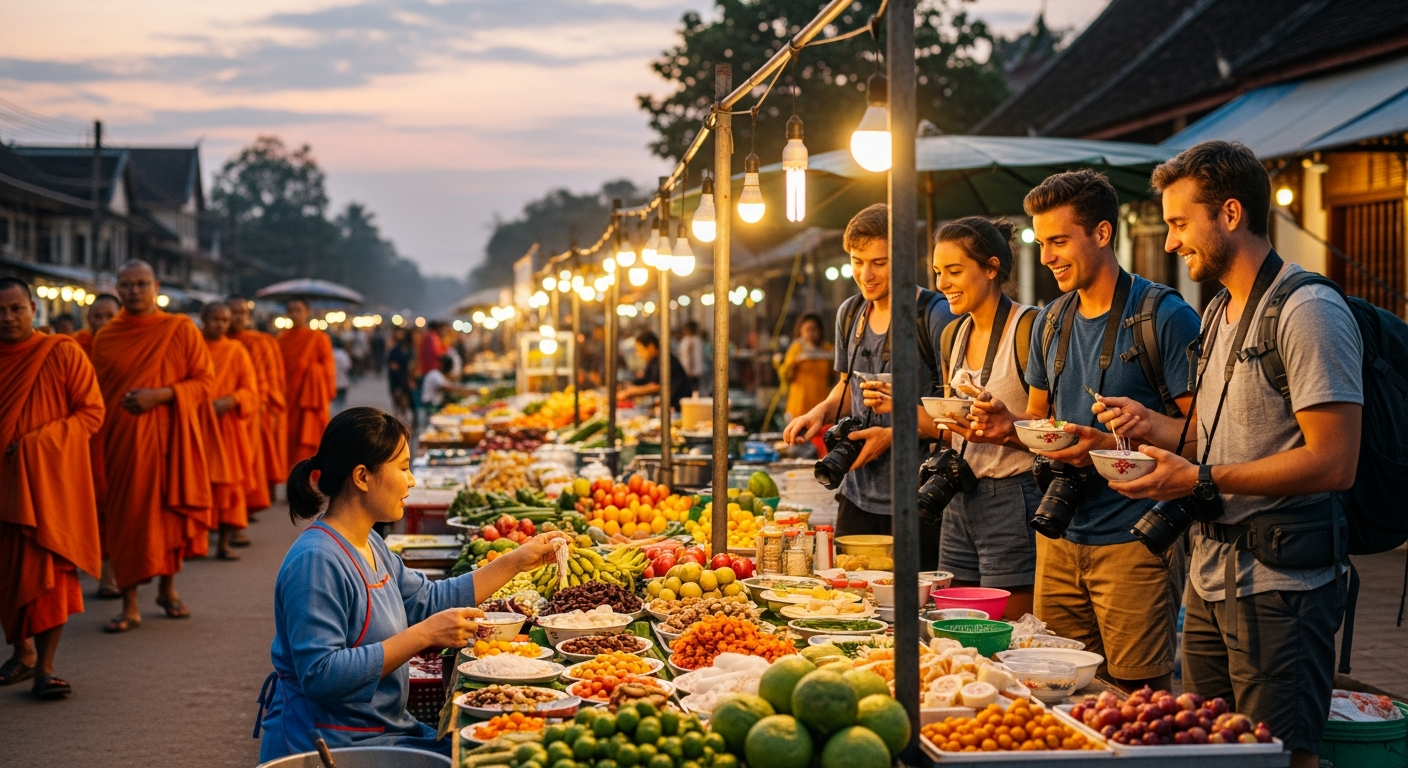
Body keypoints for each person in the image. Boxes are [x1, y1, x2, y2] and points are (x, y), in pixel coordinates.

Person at [1101, 141, 1360, 767]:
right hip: (1211, 578)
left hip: (1282, 587)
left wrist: (1201, 477)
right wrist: (1148, 432)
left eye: (1180, 224)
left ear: (1232, 213)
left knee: (1278, 756)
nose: (1169, 242)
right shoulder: (1217, 312)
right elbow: (1210, 437)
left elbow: (1335, 461)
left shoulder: (1308, 310)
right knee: (1210, 752)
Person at [966, 171, 1201, 690]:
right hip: (1058, 535)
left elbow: (1204, 432)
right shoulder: (1050, 321)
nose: (1046, 256)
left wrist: (1122, 441)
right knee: (1057, 688)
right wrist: (1007, 428)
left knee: (1138, 697)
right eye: (1040, 242)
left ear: (1101, 234)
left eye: (1057, 241)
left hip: (1136, 539)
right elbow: (1039, 421)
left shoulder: (1162, 315)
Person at [255, 407, 570, 760]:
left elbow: (427, 600)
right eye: (403, 468)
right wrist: (423, 635)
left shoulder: (369, 541)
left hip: (381, 730)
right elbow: (321, 674)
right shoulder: (316, 561)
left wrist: (515, 561)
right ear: (362, 476)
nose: (412, 481)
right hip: (332, 743)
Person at [781, 204, 956, 569]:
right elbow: (845, 388)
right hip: (857, 493)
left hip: (918, 496)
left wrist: (891, 435)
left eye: (879, 262)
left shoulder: (935, 316)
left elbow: (957, 416)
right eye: (857, 261)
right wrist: (818, 413)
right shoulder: (850, 313)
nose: (866, 274)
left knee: (908, 613)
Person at [92, 260, 215, 632]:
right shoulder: (106, 337)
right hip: (123, 442)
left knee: (168, 511)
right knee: (127, 517)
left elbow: (205, 382)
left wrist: (162, 395)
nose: (134, 291)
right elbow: (98, 396)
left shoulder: (179, 329)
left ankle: (167, 588)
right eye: (126, 285)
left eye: (142, 284)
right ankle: (129, 603)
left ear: (156, 286)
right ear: (117, 288)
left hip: (171, 437)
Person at [928, 219, 1040, 619]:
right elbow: (951, 421)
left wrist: (1008, 425)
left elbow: (1054, 424)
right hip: (959, 493)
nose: (943, 283)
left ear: (991, 268)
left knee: (1009, 627)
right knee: (958, 624)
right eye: (938, 272)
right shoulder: (952, 335)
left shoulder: (1029, 328)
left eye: (954, 271)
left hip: (1013, 494)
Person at [0, 278, 104, 698]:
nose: (7, 318)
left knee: (49, 572)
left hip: (47, 486)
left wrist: (38, 445)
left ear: (33, 310)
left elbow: (91, 413)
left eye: (16, 309)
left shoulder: (60, 352)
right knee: (7, 574)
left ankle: (45, 666)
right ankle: (21, 652)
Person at [200, 303, 260, 560]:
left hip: (227, 428)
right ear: (203, 319)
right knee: (197, 484)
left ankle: (224, 543)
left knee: (228, 486)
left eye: (224, 321)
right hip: (197, 425)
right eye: (215, 319)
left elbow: (250, 389)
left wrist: (233, 399)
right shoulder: (193, 347)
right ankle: (196, 541)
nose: (221, 325)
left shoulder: (235, 351)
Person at [228, 296, 286, 517]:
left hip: (253, 409)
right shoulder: (213, 342)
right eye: (234, 312)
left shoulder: (259, 342)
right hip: (223, 411)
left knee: (250, 462)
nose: (238, 318)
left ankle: (243, 510)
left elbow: (271, 379)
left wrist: (262, 403)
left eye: (242, 313)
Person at [279, 298, 336, 471]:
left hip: (309, 399)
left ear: (307, 313)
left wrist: (312, 371)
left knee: (308, 438)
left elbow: (329, 369)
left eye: (299, 310)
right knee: (287, 439)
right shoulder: (281, 339)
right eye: (291, 310)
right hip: (287, 398)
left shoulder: (318, 338)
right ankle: (291, 477)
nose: (295, 314)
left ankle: (307, 479)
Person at [780, 314, 834, 422]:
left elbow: (834, 375)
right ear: (801, 331)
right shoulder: (796, 349)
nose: (811, 333)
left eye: (814, 329)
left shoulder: (827, 349)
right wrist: (791, 366)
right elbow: (786, 376)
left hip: (821, 402)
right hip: (800, 404)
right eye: (807, 330)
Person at [620, 330, 692, 410]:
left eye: (640, 350)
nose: (639, 355)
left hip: (677, 406)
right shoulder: (652, 361)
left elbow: (655, 386)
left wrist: (630, 392)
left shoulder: (664, 360)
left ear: (651, 347)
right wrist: (628, 386)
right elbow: (645, 380)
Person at [74, 294, 119, 358]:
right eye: (97, 316)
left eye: (110, 316)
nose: (104, 322)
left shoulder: (128, 345)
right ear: (88, 318)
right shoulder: (76, 344)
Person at [386, 330, 416, 425]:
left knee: (408, 403)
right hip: (397, 380)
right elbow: (393, 365)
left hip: (406, 379)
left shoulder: (411, 349)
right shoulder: (395, 350)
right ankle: (398, 423)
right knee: (398, 403)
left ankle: (406, 423)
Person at [678, 320, 706, 394]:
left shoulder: (698, 341)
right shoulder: (684, 341)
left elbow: (701, 355)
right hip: (685, 370)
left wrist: (691, 368)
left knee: (696, 390)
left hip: (696, 370)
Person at [332, 336, 352, 412]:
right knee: (341, 397)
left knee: (334, 399)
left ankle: (334, 411)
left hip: (332, 379)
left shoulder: (330, 353)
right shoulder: (343, 353)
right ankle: (340, 410)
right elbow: (348, 366)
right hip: (342, 377)